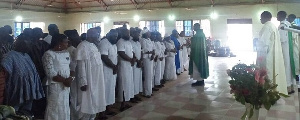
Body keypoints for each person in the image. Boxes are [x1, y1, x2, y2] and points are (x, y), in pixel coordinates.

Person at [1, 37, 44, 118]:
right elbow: (4, 70)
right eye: (27, 45)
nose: (29, 47)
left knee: (25, 114)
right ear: (20, 45)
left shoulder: (26, 55)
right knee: (13, 113)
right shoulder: (10, 56)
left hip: (29, 91)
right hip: (16, 91)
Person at [73, 28, 106, 119]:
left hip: (97, 79)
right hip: (88, 80)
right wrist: (83, 82)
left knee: (95, 102)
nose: (98, 36)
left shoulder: (94, 45)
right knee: (85, 102)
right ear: (91, 35)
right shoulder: (82, 46)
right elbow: (81, 66)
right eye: (97, 34)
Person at [43, 34, 74, 120]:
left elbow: (71, 67)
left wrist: (71, 78)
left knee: (64, 106)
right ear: (59, 43)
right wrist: (64, 80)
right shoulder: (48, 54)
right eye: (66, 42)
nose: (68, 43)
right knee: (55, 106)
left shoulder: (66, 53)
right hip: (55, 85)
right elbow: (50, 72)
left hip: (66, 85)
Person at [256, 11, 288, 95]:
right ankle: (272, 92)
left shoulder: (267, 27)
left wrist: (260, 59)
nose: (260, 20)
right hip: (273, 54)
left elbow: (264, 44)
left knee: (267, 73)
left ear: (264, 17)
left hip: (267, 56)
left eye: (261, 18)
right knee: (273, 72)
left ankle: (266, 93)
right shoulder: (273, 26)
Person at [29, 27, 50, 119]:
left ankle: (40, 110)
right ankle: (36, 111)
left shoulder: (44, 44)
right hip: (34, 71)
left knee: (42, 91)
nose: (40, 34)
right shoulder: (30, 45)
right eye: (39, 32)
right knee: (35, 91)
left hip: (43, 71)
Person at [99, 29, 118, 115]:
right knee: (105, 90)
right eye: (114, 36)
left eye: (116, 36)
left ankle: (108, 108)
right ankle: (102, 112)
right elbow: (104, 57)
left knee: (110, 89)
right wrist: (113, 66)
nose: (115, 38)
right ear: (109, 35)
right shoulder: (104, 43)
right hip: (105, 70)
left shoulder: (113, 44)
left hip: (112, 70)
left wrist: (115, 67)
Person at [117, 28, 135, 111]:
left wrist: (133, 58)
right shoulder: (120, 41)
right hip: (123, 66)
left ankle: (126, 102)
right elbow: (121, 53)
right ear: (122, 33)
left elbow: (132, 52)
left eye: (129, 33)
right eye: (127, 33)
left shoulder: (128, 42)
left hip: (129, 65)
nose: (128, 34)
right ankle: (122, 104)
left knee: (128, 84)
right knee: (123, 84)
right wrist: (130, 59)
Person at [277, 11, 296, 94]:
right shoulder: (288, 24)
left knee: (285, 67)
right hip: (289, 48)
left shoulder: (282, 25)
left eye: (277, 15)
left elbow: (282, 39)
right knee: (289, 66)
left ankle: (287, 87)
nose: (277, 17)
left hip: (284, 48)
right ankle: (291, 86)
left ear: (281, 16)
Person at [140, 28, 155, 98]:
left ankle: (150, 91)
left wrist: (152, 54)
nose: (150, 34)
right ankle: (146, 92)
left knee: (150, 75)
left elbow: (152, 49)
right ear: (145, 34)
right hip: (146, 59)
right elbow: (144, 50)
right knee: (147, 75)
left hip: (150, 58)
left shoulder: (149, 40)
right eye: (148, 33)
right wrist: (150, 53)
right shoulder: (143, 40)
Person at [130, 28, 143, 101]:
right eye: (136, 35)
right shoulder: (130, 42)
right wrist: (137, 61)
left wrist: (141, 60)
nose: (138, 36)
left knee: (138, 79)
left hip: (139, 62)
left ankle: (137, 94)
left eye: (138, 35)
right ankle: (133, 96)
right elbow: (132, 53)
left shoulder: (138, 43)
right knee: (134, 79)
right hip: (134, 64)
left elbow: (141, 51)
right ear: (133, 35)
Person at [287, 14, 300, 82]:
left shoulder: (293, 26)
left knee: (295, 61)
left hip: (294, 45)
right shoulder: (294, 26)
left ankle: (296, 77)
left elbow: (293, 37)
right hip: (296, 45)